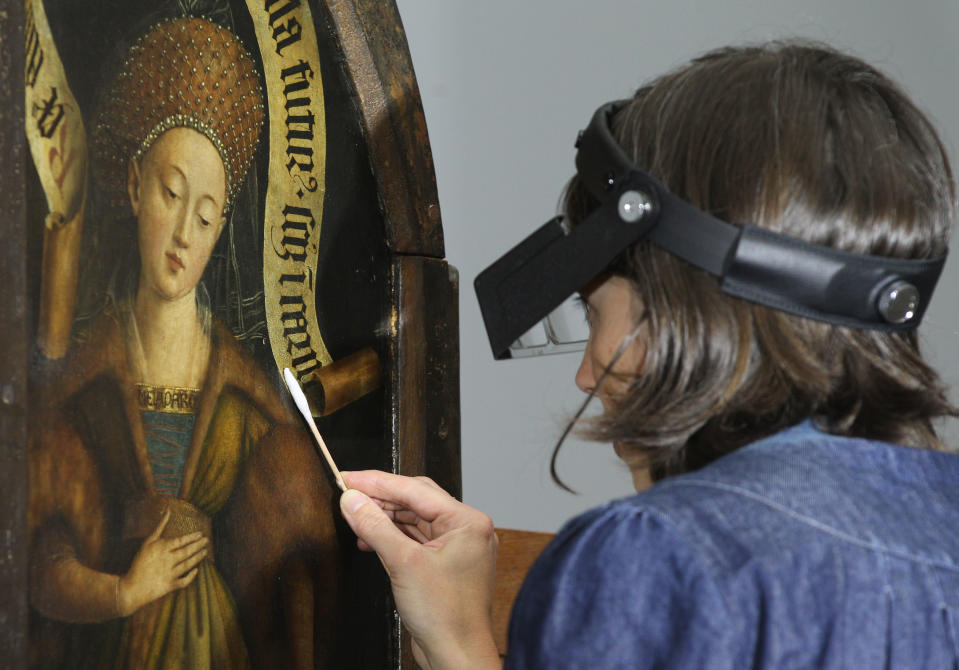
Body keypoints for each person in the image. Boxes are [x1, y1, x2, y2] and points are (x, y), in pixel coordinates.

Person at [338, 41, 959, 669]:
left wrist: (462, 646)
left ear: (678, 314)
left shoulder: (656, 561)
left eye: (595, 312)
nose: (587, 376)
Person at [28, 17, 338, 669]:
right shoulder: (85, 374)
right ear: (137, 183)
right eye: (171, 195)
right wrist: (122, 591)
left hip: (214, 645)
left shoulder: (248, 391)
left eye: (204, 215)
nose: (183, 236)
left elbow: (294, 556)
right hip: (114, 639)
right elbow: (40, 555)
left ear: (222, 225)